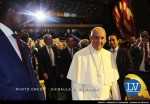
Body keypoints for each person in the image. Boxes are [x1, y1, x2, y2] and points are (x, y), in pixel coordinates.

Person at [0, 1, 45, 100]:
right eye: (24, 15)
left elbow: (32, 76)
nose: (27, 20)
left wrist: (40, 95)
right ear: (11, 12)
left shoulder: (23, 45)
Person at [67, 27, 121, 100]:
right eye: (96, 37)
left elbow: (114, 83)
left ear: (105, 40)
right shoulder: (79, 56)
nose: (99, 41)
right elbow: (76, 86)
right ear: (90, 38)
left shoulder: (109, 55)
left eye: (102, 38)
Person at [108, 33, 133, 100]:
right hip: (109, 81)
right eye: (109, 40)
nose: (111, 42)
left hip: (121, 80)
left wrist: (126, 78)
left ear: (117, 41)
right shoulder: (106, 52)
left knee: (122, 97)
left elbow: (130, 65)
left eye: (113, 40)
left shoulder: (124, 51)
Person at [38, 34, 58, 100]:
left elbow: (57, 59)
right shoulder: (41, 50)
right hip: (47, 71)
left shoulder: (55, 48)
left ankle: (55, 97)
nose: (51, 40)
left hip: (55, 70)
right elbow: (40, 63)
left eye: (51, 39)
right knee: (48, 87)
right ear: (45, 41)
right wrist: (44, 72)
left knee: (55, 87)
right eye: (49, 39)